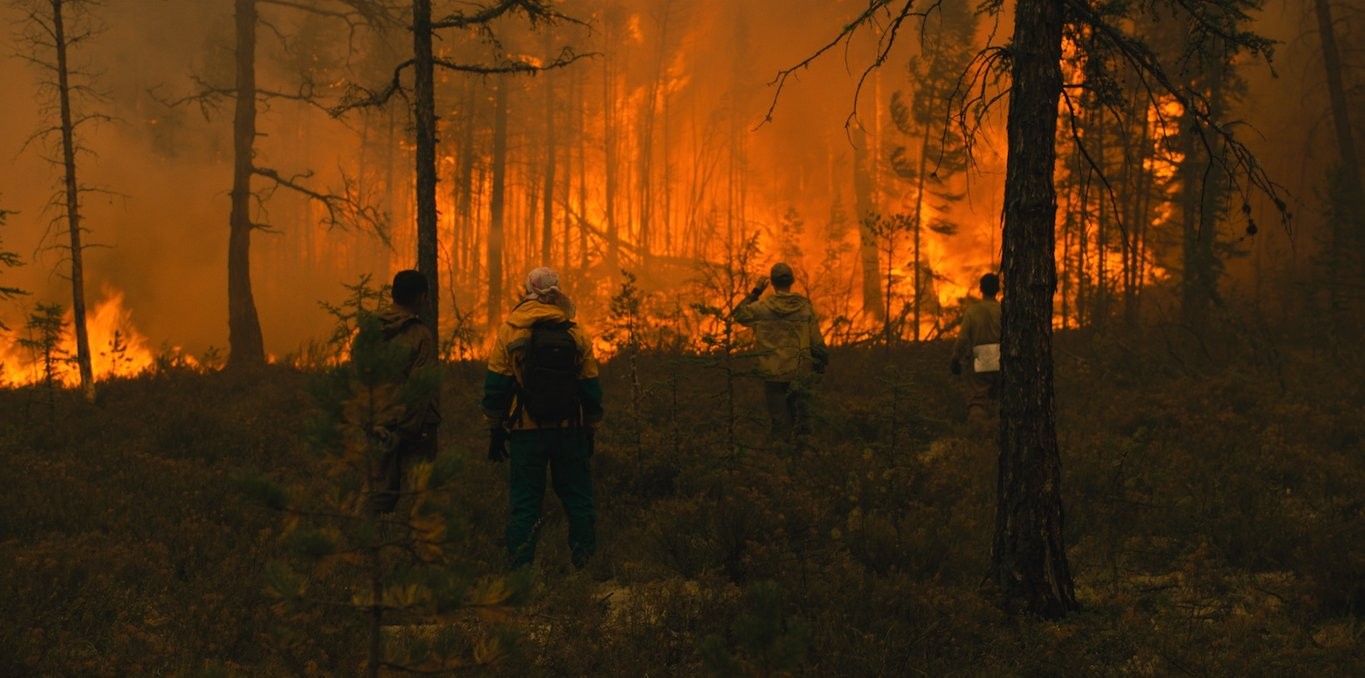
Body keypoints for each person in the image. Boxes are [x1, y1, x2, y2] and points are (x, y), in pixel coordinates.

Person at [482, 267, 603, 570]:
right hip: (568, 430)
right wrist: (590, 428)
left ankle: (521, 571)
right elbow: (591, 388)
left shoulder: (510, 330)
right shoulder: (575, 333)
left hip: (526, 431)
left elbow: (496, 387)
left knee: (525, 504)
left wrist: (495, 429)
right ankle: (585, 567)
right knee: (578, 499)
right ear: (556, 292)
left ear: (528, 291)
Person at [367, 269, 441, 514]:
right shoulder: (421, 335)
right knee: (419, 499)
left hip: (377, 424)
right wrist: (404, 431)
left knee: (376, 496)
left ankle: (367, 546)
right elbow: (419, 389)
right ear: (421, 298)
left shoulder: (371, 331)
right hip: (414, 431)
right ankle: (410, 549)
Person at [733, 262, 828, 444]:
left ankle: (779, 461)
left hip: (773, 374)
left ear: (773, 283)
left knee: (779, 423)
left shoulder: (762, 308)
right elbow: (817, 342)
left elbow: (738, 314)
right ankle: (799, 462)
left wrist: (756, 292)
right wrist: (820, 364)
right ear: (792, 281)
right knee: (800, 421)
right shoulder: (805, 307)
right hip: (800, 372)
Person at [951, 272, 1002, 421]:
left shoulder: (972, 311)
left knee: (977, 401)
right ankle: (998, 433)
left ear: (981, 289)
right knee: (1000, 400)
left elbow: (962, 339)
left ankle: (977, 434)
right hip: (1002, 358)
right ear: (998, 290)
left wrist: (955, 358)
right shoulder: (1004, 310)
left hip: (980, 357)